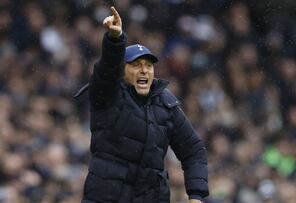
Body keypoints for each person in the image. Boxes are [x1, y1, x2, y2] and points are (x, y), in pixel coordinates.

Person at [74, 6, 209, 203]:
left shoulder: (166, 103)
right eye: (136, 65)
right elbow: (106, 71)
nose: (144, 70)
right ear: (123, 70)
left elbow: (194, 150)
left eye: (148, 65)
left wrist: (196, 195)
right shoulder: (108, 94)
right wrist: (115, 39)